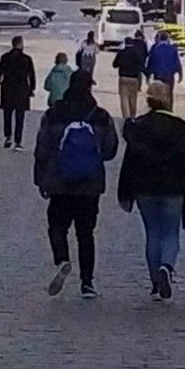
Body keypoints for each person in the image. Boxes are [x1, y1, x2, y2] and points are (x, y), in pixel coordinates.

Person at [31, 71, 118, 299]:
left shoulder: (54, 114)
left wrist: (41, 179)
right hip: (90, 185)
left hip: (60, 183)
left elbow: (43, 147)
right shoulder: (100, 116)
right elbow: (110, 151)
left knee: (57, 226)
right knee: (86, 233)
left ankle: (62, 259)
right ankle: (87, 283)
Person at [117, 81, 185, 301]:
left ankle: (156, 281)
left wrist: (125, 193)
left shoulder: (137, 128)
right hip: (174, 189)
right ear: (167, 99)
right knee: (170, 233)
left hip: (145, 189)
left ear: (148, 99)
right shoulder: (184, 130)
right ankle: (167, 266)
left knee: (152, 234)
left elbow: (129, 163)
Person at [0, 35, 37, 150]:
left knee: (7, 115)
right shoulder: (27, 59)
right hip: (22, 90)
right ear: (20, 44)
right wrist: (32, 89)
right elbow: (31, 75)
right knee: (20, 116)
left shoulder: (5, 57)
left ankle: (8, 137)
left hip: (7, 89)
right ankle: (18, 141)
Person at [112, 35, 148, 120]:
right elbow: (142, 66)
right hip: (134, 78)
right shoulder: (137, 53)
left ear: (125, 43)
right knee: (133, 98)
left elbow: (114, 65)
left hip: (123, 77)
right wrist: (147, 74)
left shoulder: (121, 53)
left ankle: (126, 118)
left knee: (124, 98)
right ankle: (132, 116)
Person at [144, 31, 184, 107]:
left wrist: (148, 75)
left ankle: (159, 108)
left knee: (158, 94)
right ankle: (169, 109)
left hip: (158, 76)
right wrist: (180, 75)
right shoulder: (173, 49)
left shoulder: (155, 49)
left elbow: (151, 63)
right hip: (169, 76)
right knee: (169, 94)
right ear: (168, 39)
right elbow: (177, 64)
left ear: (159, 38)